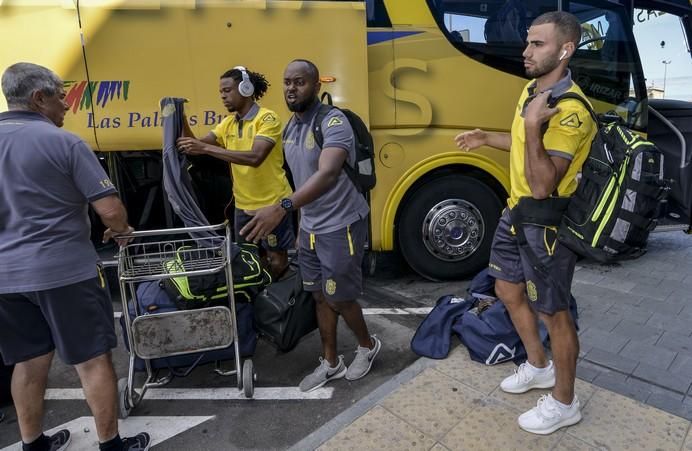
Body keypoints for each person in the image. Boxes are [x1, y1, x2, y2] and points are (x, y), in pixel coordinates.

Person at [455, 12, 596, 435]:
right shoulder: (531, 90)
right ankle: (538, 365)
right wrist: (489, 138)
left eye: (537, 44)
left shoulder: (570, 112)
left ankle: (565, 402)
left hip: (545, 224)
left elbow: (542, 183)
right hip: (514, 212)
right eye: (528, 42)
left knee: (555, 313)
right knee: (507, 288)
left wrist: (535, 124)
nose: (526, 51)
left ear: (565, 50)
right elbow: (521, 142)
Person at [0, 63, 150, 451]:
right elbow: (112, 210)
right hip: (64, 272)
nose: (66, 104)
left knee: (29, 360)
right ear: (38, 98)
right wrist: (122, 232)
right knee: (92, 358)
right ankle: (111, 445)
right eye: (59, 95)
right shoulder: (63, 142)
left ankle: (33, 444)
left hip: (6, 277)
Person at [241, 59, 381, 392]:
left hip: (341, 225)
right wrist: (297, 220)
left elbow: (328, 172)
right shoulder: (290, 128)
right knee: (319, 295)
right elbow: (295, 177)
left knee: (341, 298)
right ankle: (331, 362)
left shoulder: (332, 122)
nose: (292, 88)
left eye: (300, 82)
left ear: (317, 86)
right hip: (311, 228)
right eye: (287, 82)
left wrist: (283, 207)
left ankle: (367, 346)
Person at [177, 67, 294, 279]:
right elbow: (195, 146)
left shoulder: (267, 118)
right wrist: (181, 117)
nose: (222, 96)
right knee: (249, 261)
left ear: (246, 88)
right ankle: (259, 303)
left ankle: (280, 304)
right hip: (243, 207)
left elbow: (255, 158)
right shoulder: (228, 123)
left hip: (273, 204)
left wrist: (205, 149)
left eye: (227, 90)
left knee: (277, 261)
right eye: (220, 91)